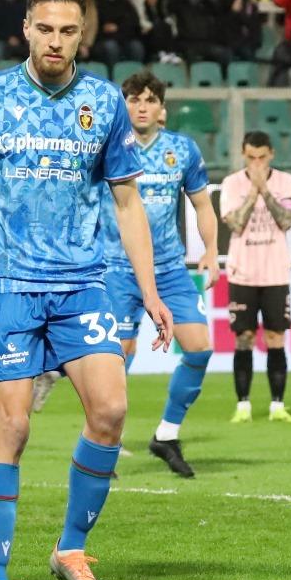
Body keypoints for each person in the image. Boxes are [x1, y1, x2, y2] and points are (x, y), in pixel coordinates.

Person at [0, 0, 173, 580]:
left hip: (83, 282)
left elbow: (126, 201)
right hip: (6, 286)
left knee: (111, 410)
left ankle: (71, 550)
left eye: (68, 30)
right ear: (25, 29)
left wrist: (150, 290)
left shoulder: (103, 102)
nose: (56, 40)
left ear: (81, 34)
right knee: (14, 424)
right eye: (45, 28)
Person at [104, 72, 218, 478]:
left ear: (162, 108)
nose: (142, 106)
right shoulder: (107, 145)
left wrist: (211, 251)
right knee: (117, 358)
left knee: (200, 347)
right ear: (124, 104)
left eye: (150, 100)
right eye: (134, 99)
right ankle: (106, 445)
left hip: (170, 268)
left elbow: (202, 205)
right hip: (116, 268)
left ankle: (166, 435)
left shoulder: (181, 150)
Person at [220, 131, 291, 425]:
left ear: (272, 154)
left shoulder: (286, 182)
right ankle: (243, 405)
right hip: (243, 272)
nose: (256, 163)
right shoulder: (231, 184)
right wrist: (253, 192)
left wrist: (264, 189)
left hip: (276, 272)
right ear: (243, 155)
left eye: (262, 157)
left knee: (276, 337)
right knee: (244, 337)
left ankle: (277, 405)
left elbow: (287, 221)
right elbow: (235, 224)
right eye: (251, 157)